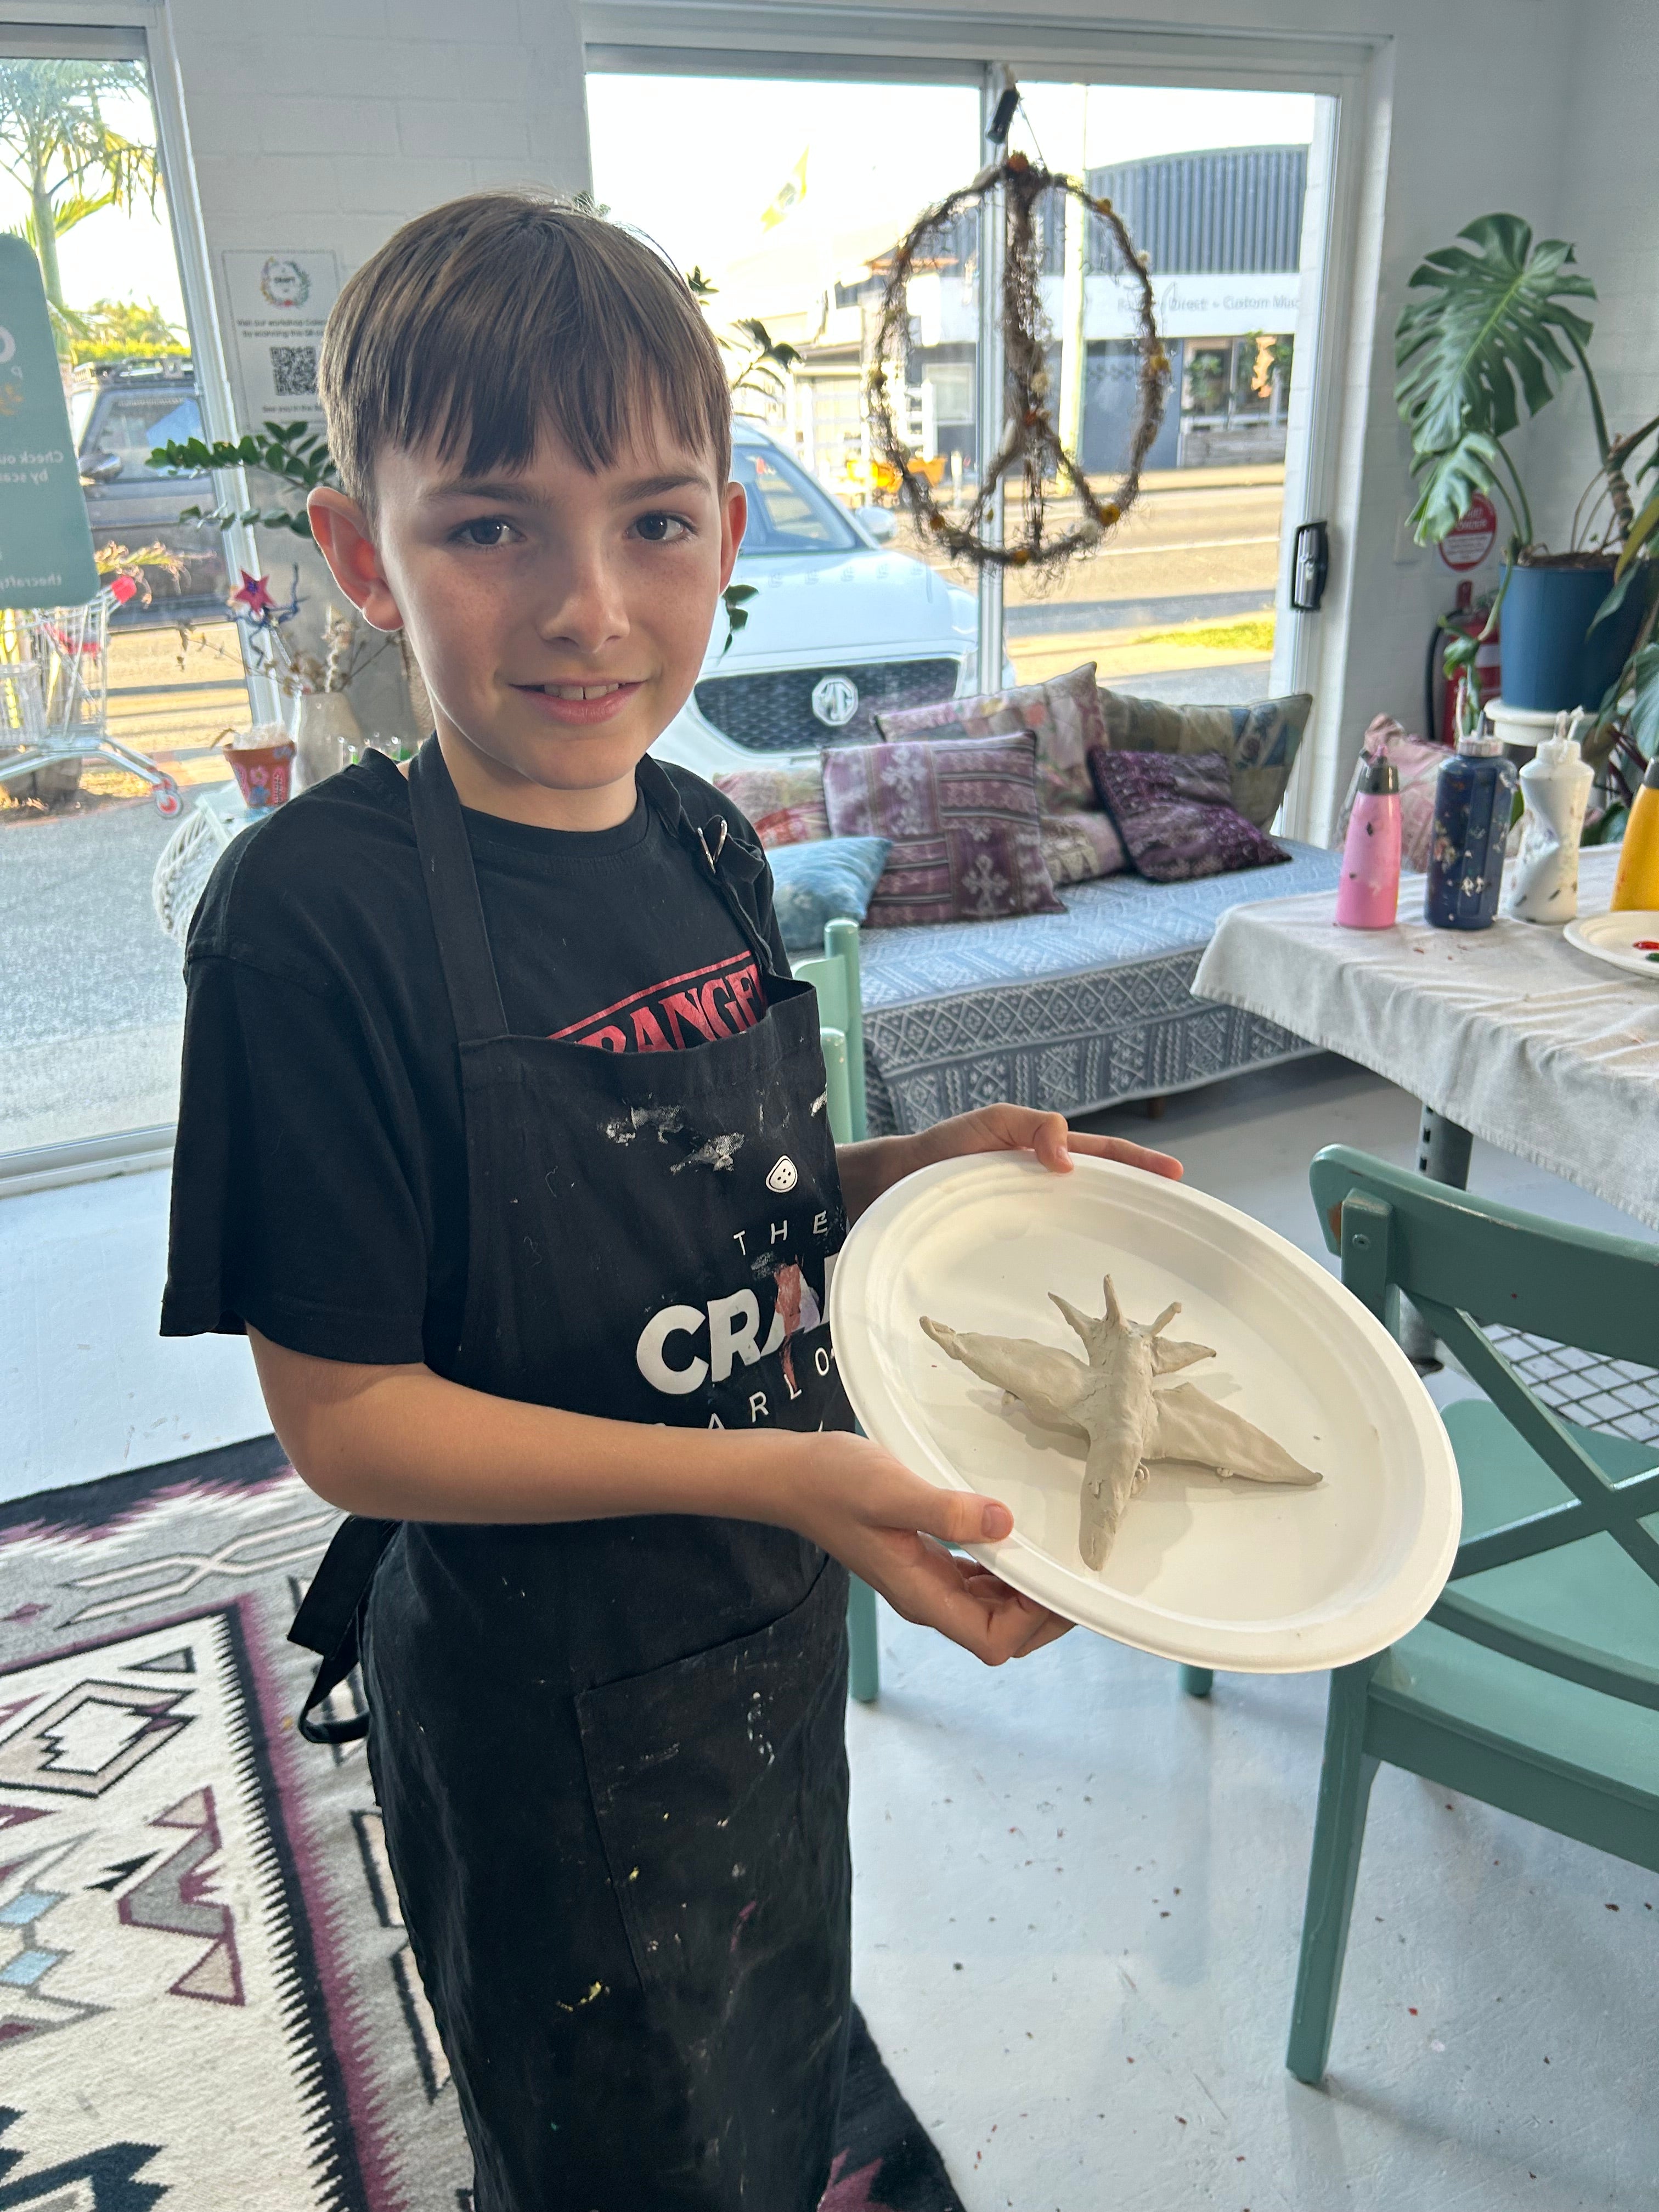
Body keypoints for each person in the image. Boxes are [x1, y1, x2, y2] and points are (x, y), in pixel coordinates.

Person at [161, 191, 1182, 2211]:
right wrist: (791, 1480)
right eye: (489, 526)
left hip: (763, 1638)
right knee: (614, 2146)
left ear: (728, 524)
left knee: (773, 2056)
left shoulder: (712, 835)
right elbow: (351, 1419)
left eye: (653, 520)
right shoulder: (312, 924)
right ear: (364, 557)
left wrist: (916, 1174)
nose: (590, 609)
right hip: (542, 1695)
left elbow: (739, 1197)